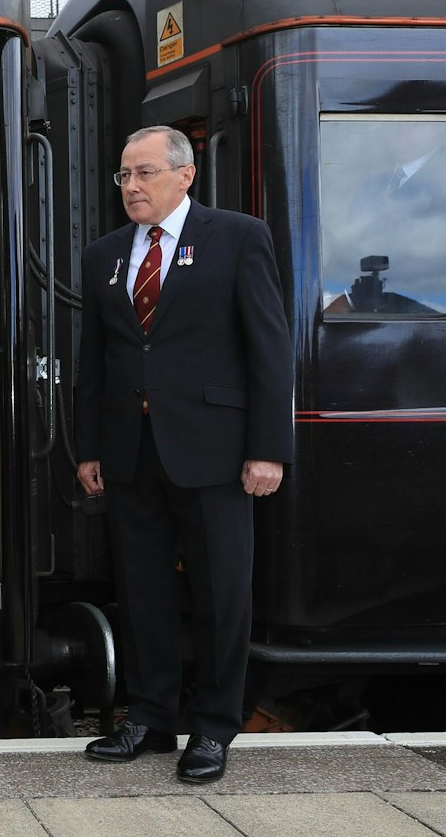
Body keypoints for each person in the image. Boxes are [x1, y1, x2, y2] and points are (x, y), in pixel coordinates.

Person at [74, 125, 294, 785]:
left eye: (143, 173)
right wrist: (88, 447)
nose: (131, 187)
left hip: (217, 452)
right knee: (141, 589)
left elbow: (270, 349)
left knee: (222, 591)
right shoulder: (104, 256)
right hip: (131, 451)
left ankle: (216, 725)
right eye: (123, 176)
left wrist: (267, 449)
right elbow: (95, 362)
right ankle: (149, 716)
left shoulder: (238, 237)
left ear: (184, 175)